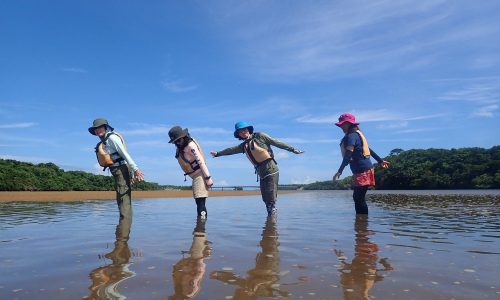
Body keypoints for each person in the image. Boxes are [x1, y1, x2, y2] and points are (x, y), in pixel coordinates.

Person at [210, 121, 304, 216]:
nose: (243, 132)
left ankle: (272, 222)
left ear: (248, 130)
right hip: (261, 172)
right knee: (265, 198)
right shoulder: (243, 146)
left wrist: (292, 149)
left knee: (271, 196)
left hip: (271, 169)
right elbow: (230, 150)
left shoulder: (260, 136)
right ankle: (270, 220)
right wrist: (218, 154)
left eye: (244, 129)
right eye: (240, 131)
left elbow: (276, 142)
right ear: (238, 134)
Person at [332, 113, 389, 214]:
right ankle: (362, 224)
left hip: (362, 170)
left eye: (343, 124)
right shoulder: (356, 134)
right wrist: (380, 161)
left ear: (349, 124)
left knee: (358, 198)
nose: (341, 126)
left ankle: (362, 226)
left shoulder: (352, 136)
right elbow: (368, 150)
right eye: (340, 124)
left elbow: (348, 153)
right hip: (364, 169)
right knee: (358, 197)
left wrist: (340, 170)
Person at [88, 118, 144, 219]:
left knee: (123, 197)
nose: (97, 130)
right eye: (95, 129)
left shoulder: (112, 138)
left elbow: (124, 154)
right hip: (116, 170)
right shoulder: (105, 140)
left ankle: (124, 229)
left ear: (105, 127)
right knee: (121, 197)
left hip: (121, 169)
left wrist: (135, 169)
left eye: (99, 128)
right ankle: (123, 225)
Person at [335, 215, 393, 300]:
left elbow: (346, 270)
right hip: (366, 269)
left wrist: (341, 259)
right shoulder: (360, 282)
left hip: (364, 269)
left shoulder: (351, 284)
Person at [168, 126, 213, 218]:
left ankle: (201, 229)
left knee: (200, 202)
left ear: (184, 137)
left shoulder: (191, 146)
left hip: (200, 174)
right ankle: (200, 226)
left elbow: (200, 161)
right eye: (175, 142)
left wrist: (208, 178)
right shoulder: (181, 146)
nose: (177, 143)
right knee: (198, 201)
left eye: (178, 140)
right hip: (195, 176)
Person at [169, 217, 211, 299]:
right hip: (196, 259)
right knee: (200, 231)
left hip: (196, 259)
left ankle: (201, 221)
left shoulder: (187, 292)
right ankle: (201, 221)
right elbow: (197, 273)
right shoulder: (188, 292)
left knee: (200, 232)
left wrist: (184, 265)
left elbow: (196, 274)